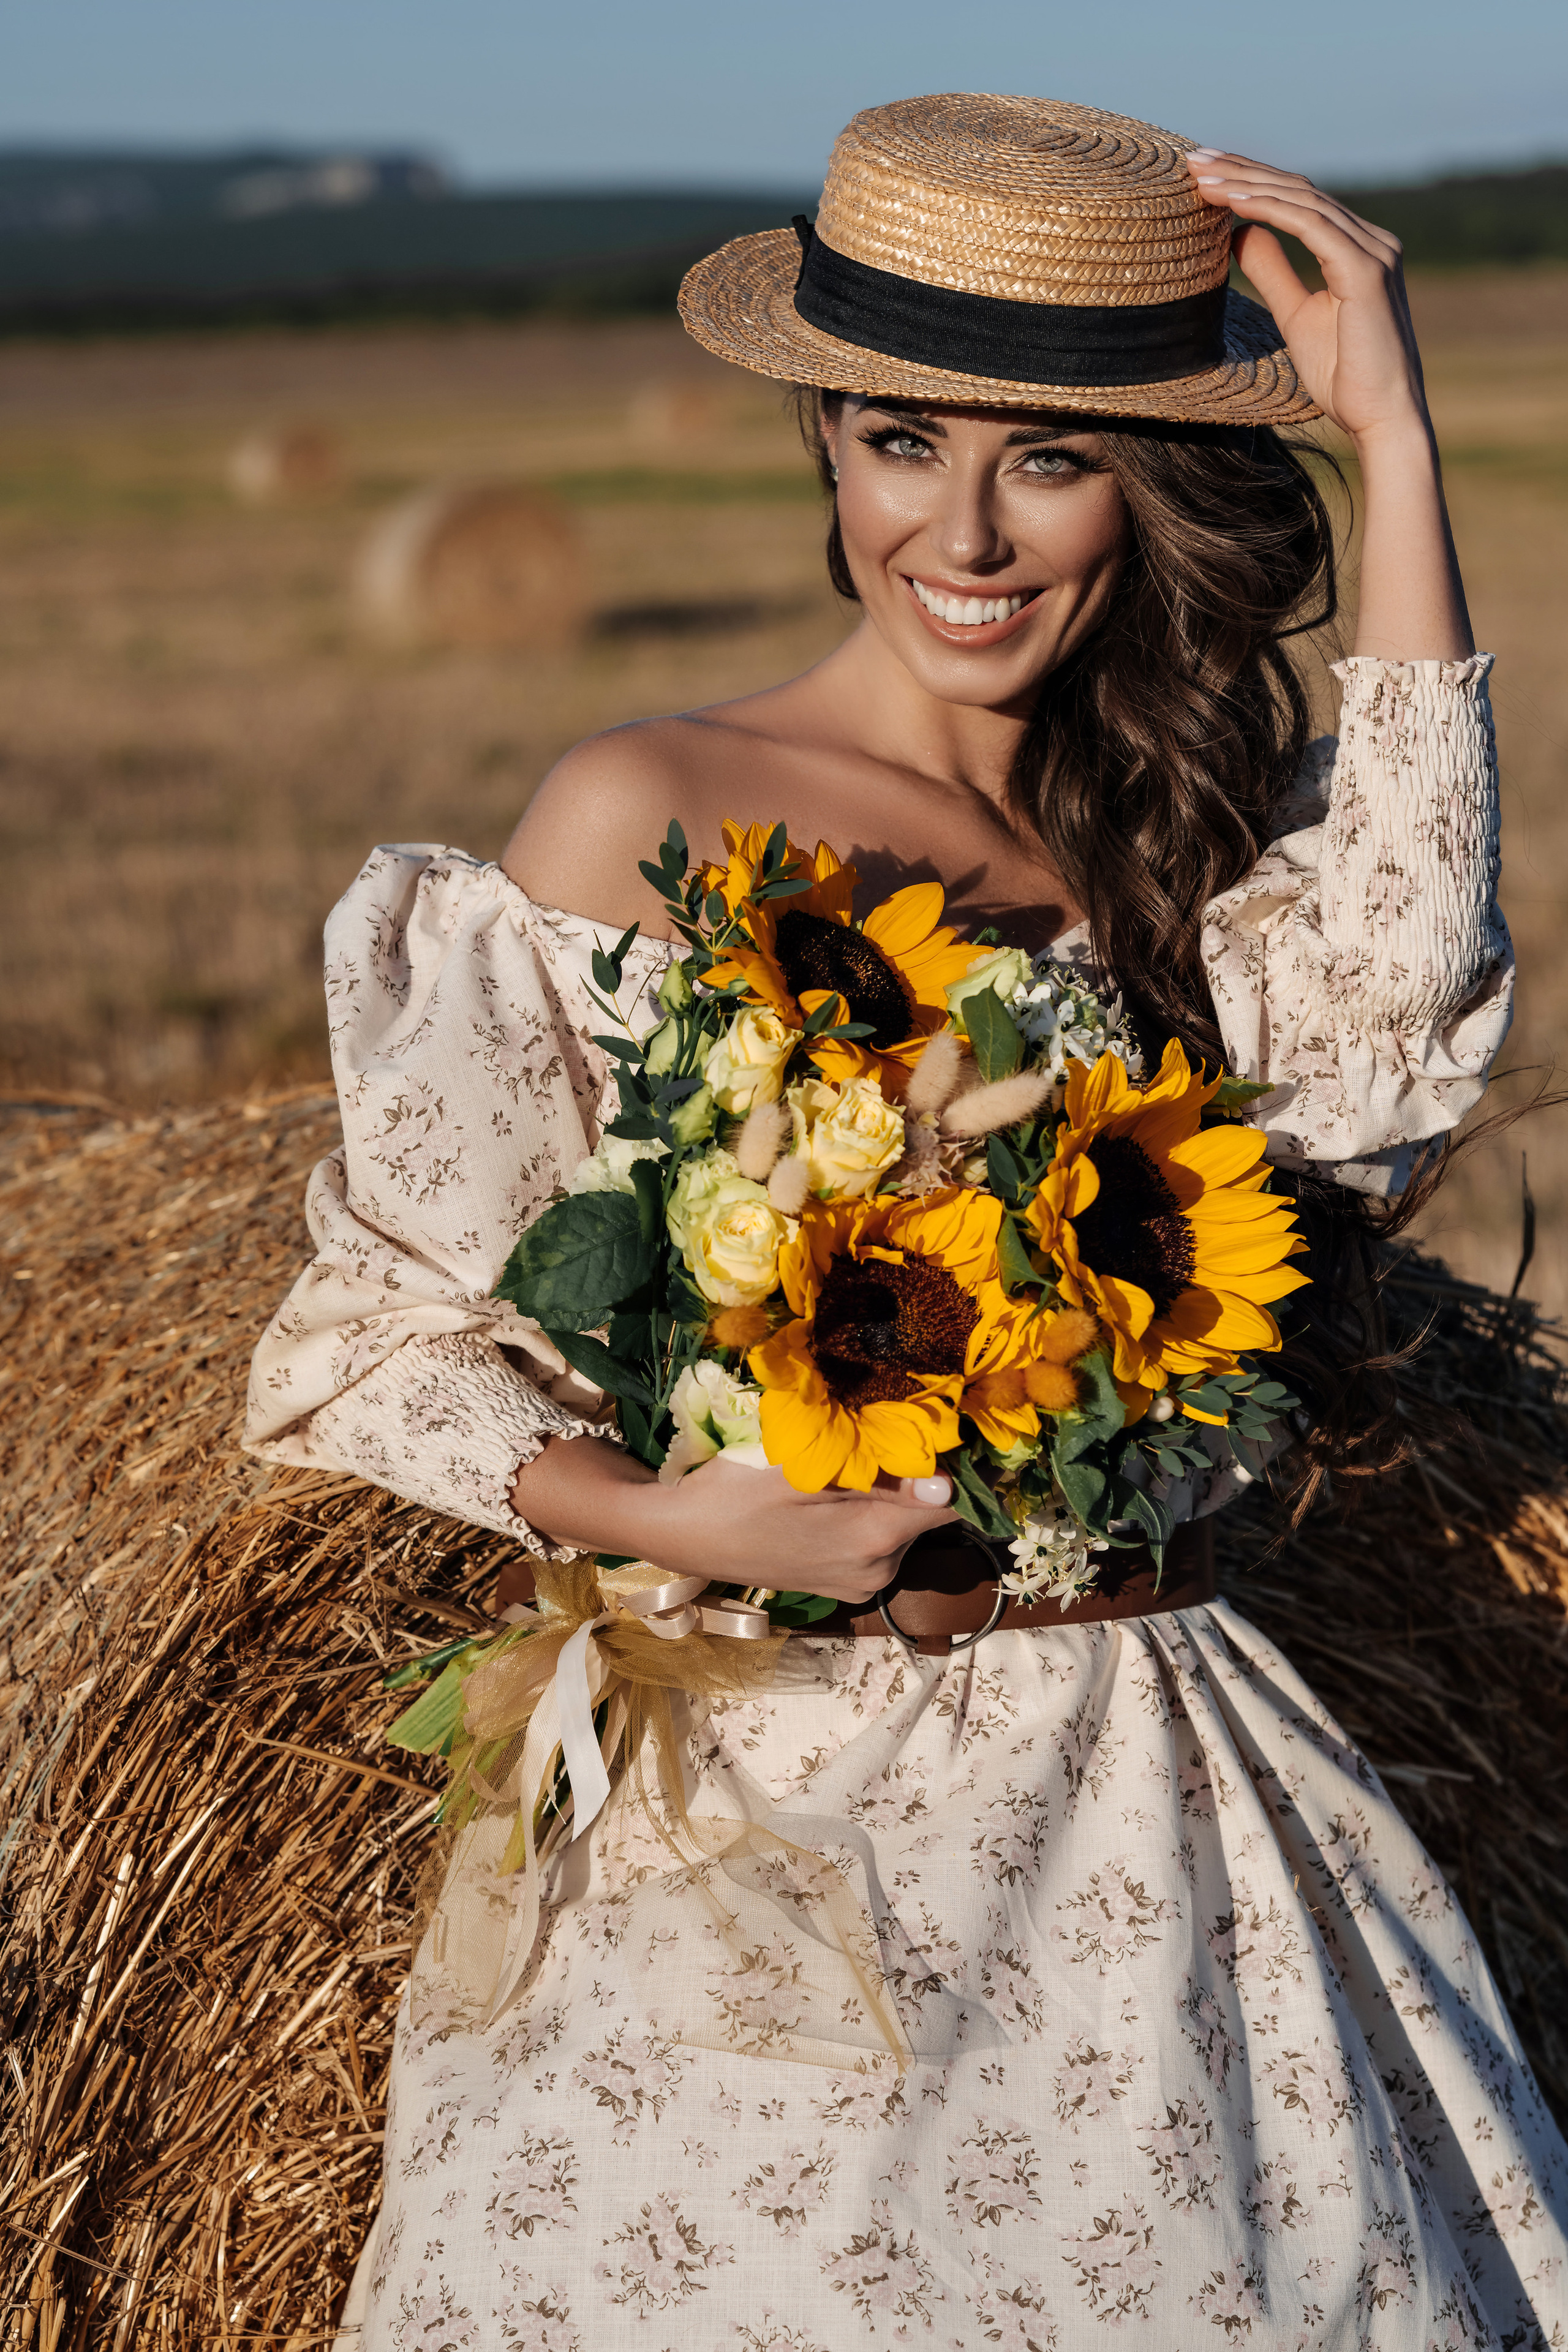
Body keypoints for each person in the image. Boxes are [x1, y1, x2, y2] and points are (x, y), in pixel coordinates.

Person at [247, 95, 1564, 2351]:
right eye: (893, 440)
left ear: (1150, 496)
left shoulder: (1178, 845)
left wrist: (1399, 444)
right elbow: (371, 1343)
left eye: (1047, 463)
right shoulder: (647, 813)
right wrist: (700, 1519)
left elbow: (1397, 1019)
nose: (959, 531)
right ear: (823, 453)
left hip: (1152, 1793)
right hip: (765, 1814)